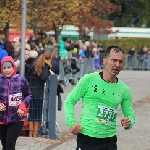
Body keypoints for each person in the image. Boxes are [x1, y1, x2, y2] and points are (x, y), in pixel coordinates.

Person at [64, 45, 135, 150]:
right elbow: (69, 101)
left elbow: (130, 115)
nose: (117, 64)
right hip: (87, 138)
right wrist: (72, 123)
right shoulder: (88, 79)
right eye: (114, 60)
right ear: (104, 61)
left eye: (120, 61)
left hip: (109, 140)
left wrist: (128, 123)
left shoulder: (124, 90)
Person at [0, 56, 31, 150]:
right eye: (4, 68)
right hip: (2, 118)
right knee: (5, 144)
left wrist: (22, 106)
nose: (7, 70)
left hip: (17, 118)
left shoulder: (21, 81)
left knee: (10, 143)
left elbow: (28, 95)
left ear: (13, 67)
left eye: (9, 67)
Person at [26, 45, 54, 137]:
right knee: (38, 111)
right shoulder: (45, 65)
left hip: (31, 89)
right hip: (38, 91)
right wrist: (49, 71)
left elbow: (28, 73)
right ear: (49, 58)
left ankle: (30, 132)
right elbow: (43, 77)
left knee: (32, 111)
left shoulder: (36, 61)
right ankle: (35, 132)